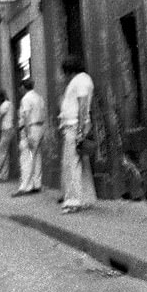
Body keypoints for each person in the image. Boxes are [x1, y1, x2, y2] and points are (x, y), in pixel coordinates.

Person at [58, 55, 96, 214]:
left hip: (74, 126)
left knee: (71, 164)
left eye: (65, 73)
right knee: (83, 165)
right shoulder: (84, 79)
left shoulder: (80, 80)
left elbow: (82, 106)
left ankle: (73, 201)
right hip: (76, 125)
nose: (64, 77)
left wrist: (80, 131)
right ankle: (86, 198)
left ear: (69, 71)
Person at [13, 79, 46, 196]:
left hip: (30, 128)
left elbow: (26, 116)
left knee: (26, 158)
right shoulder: (39, 97)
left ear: (23, 87)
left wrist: (27, 134)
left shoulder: (26, 99)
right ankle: (37, 184)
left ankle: (25, 186)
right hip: (40, 127)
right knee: (36, 156)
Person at [0, 90, 14, 182]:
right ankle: (3, 176)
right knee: (4, 153)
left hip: (7, 130)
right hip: (7, 129)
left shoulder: (4, 105)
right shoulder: (8, 104)